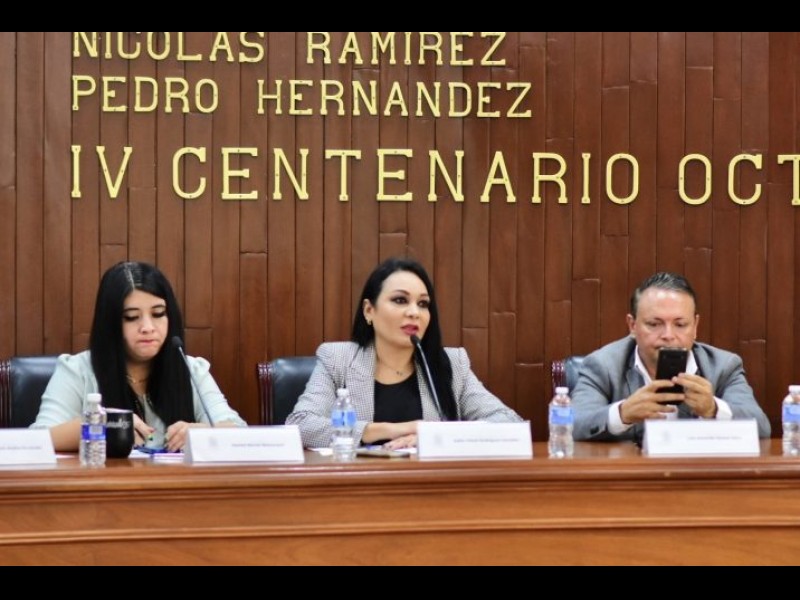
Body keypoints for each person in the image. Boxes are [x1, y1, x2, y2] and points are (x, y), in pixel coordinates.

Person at [286, 258, 523, 450]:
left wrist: (434, 437)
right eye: (400, 300)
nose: (414, 312)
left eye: (423, 304)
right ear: (369, 311)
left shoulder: (451, 364)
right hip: (359, 487)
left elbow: (509, 422)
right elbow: (300, 426)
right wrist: (387, 430)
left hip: (432, 486)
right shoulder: (338, 360)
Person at [31, 261, 246, 452]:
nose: (148, 327)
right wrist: (104, 425)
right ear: (110, 323)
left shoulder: (192, 369)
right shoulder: (78, 370)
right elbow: (37, 439)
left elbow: (239, 431)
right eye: (132, 317)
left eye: (158, 314)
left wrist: (203, 432)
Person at [572, 272, 771, 441]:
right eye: (654, 324)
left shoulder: (723, 366)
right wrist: (622, 413)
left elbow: (762, 428)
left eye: (680, 324)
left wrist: (713, 409)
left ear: (695, 326)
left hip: (696, 472)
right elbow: (572, 424)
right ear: (632, 325)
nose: (668, 335)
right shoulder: (603, 365)